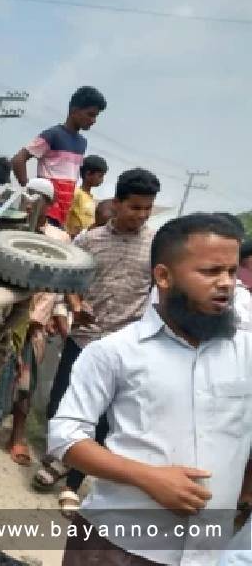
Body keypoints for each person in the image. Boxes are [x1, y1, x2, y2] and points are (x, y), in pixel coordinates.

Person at [49, 213, 251, 566]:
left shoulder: (245, 352)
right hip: (113, 547)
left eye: (232, 272)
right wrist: (149, 478)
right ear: (163, 276)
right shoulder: (114, 352)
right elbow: (65, 436)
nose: (226, 283)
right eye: (210, 272)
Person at [37, 168, 161, 516]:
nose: (141, 215)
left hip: (126, 345)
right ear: (117, 203)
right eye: (135, 207)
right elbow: (68, 280)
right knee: (62, 401)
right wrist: (76, 306)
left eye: (147, 209)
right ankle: (58, 456)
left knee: (105, 417)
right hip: (84, 339)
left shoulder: (156, 247)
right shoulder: (89, 241)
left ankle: (72, 484)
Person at [0, 178, 69, 489]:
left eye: (39, 200)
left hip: (16, 335)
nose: (32, 204)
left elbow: (50, 294)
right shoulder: (3, 237)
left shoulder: (49, 240)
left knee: (0, 402)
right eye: (29, 197)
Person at [12, 86, 107, 227]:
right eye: (90, 114)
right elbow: (18, 159)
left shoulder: (82, 142)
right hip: (46, 210)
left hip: (63, 211)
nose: (93, 120)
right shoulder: (53, 135)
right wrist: (30, 192)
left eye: (96, 116)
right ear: (74, 111)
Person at [65, 155, 108, 237]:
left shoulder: (91, 198)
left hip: (84, 237)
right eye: (100, 176)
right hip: (72, 237)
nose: (102, 180)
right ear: (88, 174)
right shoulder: (76, 193)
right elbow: (66, 214)